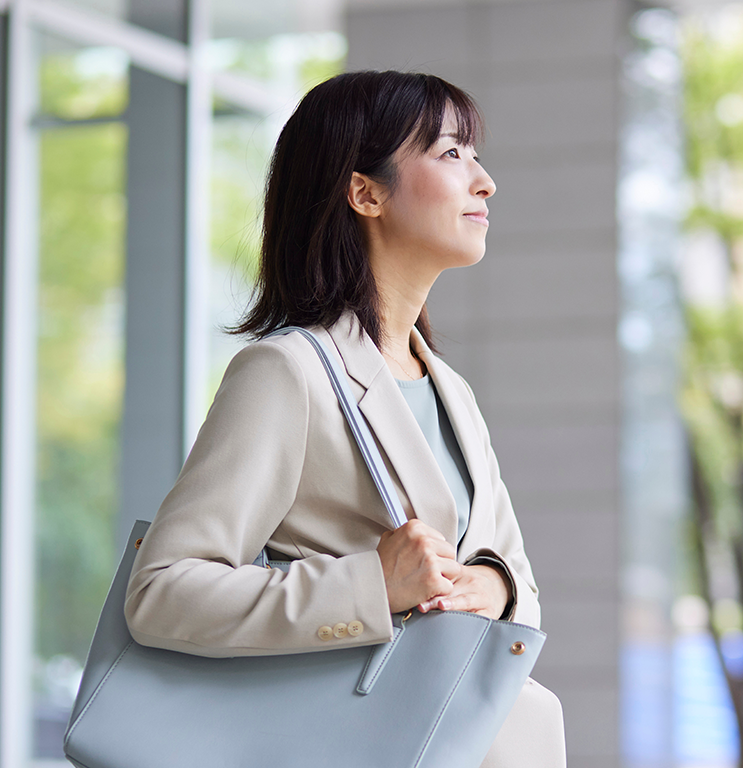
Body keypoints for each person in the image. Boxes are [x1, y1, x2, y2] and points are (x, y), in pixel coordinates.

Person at [122, 70, 566, 766]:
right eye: (452, 154)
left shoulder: (451, 392)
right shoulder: (288, 373)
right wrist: (371, 585)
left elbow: (518, 579)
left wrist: (497, 587)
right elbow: (162, 592)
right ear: (365, 192)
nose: (485, 182)